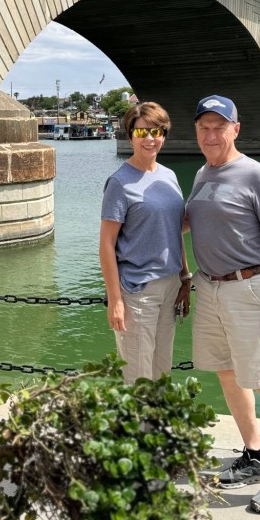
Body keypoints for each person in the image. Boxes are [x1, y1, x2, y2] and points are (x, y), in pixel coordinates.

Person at [185, 95, 260, 514]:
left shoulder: (256, 175)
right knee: (227, 374)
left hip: (249, 288)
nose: (211, 135)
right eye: (204, 127)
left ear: (236, 129)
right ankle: (255, 454)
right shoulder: (203, 172)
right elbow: (194, 221)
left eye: (220, 127)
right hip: (210, 287)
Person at [99, 101, 192, 383]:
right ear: (130, 136)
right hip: (137, 290)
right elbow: (106, 244)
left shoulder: (169, 176)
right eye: (141, 132)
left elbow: (173, 231)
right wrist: (115, 300)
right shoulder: (119, 182)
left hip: (170, 286)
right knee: (138, 378)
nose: (149, 139)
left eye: (156, 132)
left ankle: (158, 415)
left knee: (162, 372)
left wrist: (185, 278)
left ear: (164, 135)